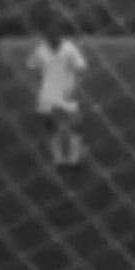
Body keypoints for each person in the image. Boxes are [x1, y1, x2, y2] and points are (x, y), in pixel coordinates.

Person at [27, 16, 88, 168]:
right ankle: (58, 158)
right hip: (48, 91)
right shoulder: (40, 49)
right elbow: (32, 68)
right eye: (48, 31)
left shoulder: (69, 48)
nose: (52, 34)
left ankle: (74, 158)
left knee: (75, 124)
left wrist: (75, 89)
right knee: (51, 125)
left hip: (68, 91)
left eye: (55, 30)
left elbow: (80, 69)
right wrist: (38, 87)